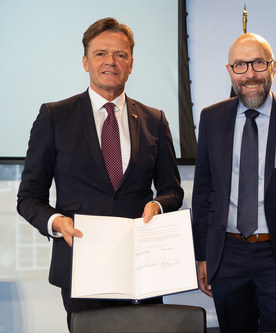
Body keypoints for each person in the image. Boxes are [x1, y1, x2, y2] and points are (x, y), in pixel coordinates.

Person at [17, 17, 184, 328]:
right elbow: (28, 198)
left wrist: (159, 205)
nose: (111, 62)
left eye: (121, 54)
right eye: (100, 54)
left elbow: (172, 190)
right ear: (85, 61)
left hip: (143, 269)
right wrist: (57, 222)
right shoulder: (55, 116)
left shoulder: (154, 120)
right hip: (82, 267)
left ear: (131, 63)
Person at [192, 33, 276, 332]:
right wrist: (202, 255)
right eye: (240, 65)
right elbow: (203, 192)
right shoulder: (211, 118)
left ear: (273, 67)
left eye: (258, 63)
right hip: (227, 255)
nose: (250, 73)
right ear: (229, 71)